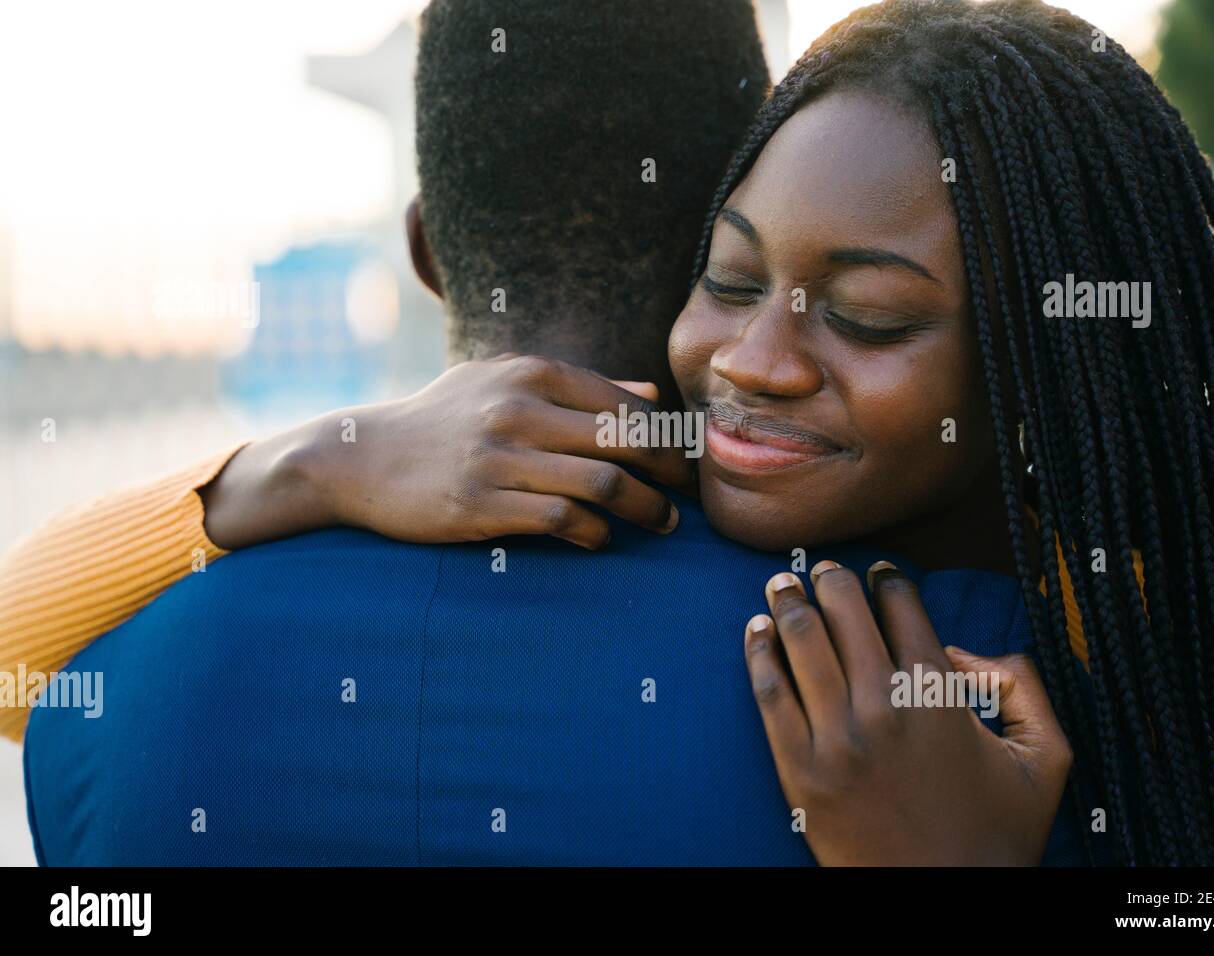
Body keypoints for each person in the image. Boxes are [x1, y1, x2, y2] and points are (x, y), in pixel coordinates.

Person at [19, 0, 1081, 866]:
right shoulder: (981, 692)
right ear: (715, 230)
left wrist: (305, 464)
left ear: (427, 251)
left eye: (871, 319)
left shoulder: (109, 689)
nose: (763, 356)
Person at [671, 0, 1214, 865]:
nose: (751, 361)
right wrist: (409, 453)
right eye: (732, 281)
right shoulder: (572, 491)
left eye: (868, 318)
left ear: (1046, 365)